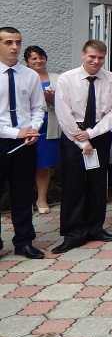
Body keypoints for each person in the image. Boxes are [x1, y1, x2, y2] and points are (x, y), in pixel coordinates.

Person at [52, 40, 112, 253]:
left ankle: (95, 228)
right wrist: (82, 140)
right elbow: (63, 113)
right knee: (73, 185)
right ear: (83, 55)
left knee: (97, 184)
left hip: (99, 135)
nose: (96, 61)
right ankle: (74, 233)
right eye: (92, 56)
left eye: (100, 58)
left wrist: (91, 135)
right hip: (73, 135)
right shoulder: (67, 79)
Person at [0, 27, 45, 259]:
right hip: (2, 141)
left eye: (17, 42)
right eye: (8, 42)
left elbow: (38, 108)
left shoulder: (30, 75)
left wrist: (33, 129)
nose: (15, 47)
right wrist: (14, 132)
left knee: (23, 193)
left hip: (25, 143)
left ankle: (24, 241)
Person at [24, 46, 61, 214]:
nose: (38, 61)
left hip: (49, 126)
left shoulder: (57, 78)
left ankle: (42, 199)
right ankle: (24, 201)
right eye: (34, 58)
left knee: (43, 164)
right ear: (26, 61)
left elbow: (65, 103)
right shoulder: (22, 77)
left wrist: (52, 99)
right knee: (24, 164)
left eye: (41, 57)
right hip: (28, 126)